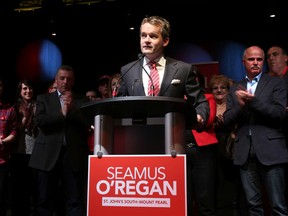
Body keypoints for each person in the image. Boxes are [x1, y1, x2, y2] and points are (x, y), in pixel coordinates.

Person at [117, 15, 209, 215]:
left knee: (171, 204)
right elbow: (118, 104)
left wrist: (199, 117)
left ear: (165, 41)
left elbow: (200, 102)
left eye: (152, 36)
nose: (146, 40)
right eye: (143, 36)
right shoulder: (128, 70)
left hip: (173, 147)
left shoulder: (183, 70)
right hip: (137, 148)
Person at [223, 46, 288, 215]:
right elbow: (228, 119)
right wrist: (242, 107)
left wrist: (253, 102)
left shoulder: (276, 83)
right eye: (251, 59)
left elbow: (280, 113)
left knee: (278, 205)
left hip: (271, 149)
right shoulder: (235, 87)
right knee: (253, 206)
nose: (256, 63)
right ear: (243, 62)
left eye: (259, 59)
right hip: (245, 151)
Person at [29, 65, 90, 216]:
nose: (65, 82)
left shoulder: (82, 100)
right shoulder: (44, 99)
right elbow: (40, 121)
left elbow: (86, 123)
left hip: (72, 156)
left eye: (69, 79)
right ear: (56, 80)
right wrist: (62, 114)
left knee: (75, 199)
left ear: (73, 81)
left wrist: (72, 109)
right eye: (62, 78)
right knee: (45, 200)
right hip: (47, 156)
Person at [209, 74, 245, 216]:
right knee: (218, 180)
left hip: (233, 146)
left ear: (228, 90)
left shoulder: (233, 103)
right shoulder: (208, 105)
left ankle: (235, 209)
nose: (219, 90)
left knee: (234, 181)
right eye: (215, 88)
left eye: (223, 87)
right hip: (214, 147)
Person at [185, 69, 218, 215]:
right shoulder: (177, 100)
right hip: (180, 152)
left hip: (202, 152)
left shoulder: (208, 98)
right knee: (184, 197)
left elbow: (208, 121)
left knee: (205, 197)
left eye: (194, 80)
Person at [10, 79, 38, 216]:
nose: (28, 91)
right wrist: (25, 117)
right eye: (25, 89)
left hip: (36, 152)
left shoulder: (39, 105)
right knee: (20, 189)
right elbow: (16, 130)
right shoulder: (14, 107)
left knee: (35, 187)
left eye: (30, 88)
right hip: (19, 152)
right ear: (20, 91)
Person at [0, 77, 17, 216]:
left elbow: (14, 132)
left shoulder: (9, 110)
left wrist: (4, 141)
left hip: (2, 162)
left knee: (2, 198)